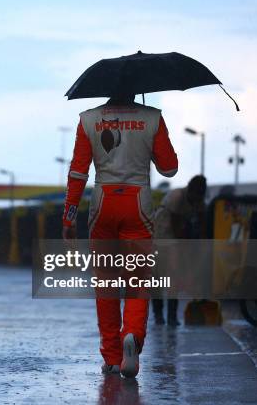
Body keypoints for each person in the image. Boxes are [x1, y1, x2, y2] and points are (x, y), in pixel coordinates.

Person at [62, 93, 178, 378]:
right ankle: (133, 338)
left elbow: (78, 172)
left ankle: (112, 358)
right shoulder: (152, 117)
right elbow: (170, 168)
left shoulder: (88, 120)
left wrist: (69, 216)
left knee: (106, 283)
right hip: (138, 203)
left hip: (102, 204)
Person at [152, 175, 207, 325]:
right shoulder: (177, 197)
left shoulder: (199, 200)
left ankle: (171, 316)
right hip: (161, 232)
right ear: (189, 189)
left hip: (176, 234)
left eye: (199, 197)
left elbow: (202, 223)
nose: (196, 200)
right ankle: (158, 314)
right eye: (194, 195)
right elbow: (176, 228)